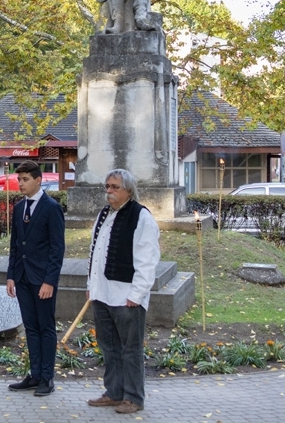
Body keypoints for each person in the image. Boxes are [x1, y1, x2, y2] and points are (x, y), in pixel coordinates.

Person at [86, 169, 160, 414]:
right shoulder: (104, 214)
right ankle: (114, 392)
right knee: (109, 347)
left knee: (130, 349)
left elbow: (148, 259)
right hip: (102, 294)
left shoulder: (141, 217)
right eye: (107, 186)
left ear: (129, 189)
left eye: (114, 187)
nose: (109, 191)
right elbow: (94, 253)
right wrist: (91, 287)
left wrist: (136, 295)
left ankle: (134, 397)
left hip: (127, 295)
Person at [6, 160, 65, 397]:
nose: (20, 183)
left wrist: (49, 281)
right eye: (19, 179)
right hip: (22, 278)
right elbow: (15, 246)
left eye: (25, 179)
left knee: (45, 327)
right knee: (30, 328)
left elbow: (57, 248)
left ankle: (47, 377)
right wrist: (11, 276)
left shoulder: (51, 208)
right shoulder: (19, 208)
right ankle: (35, 373)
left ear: (38, 180)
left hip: (42, 280)